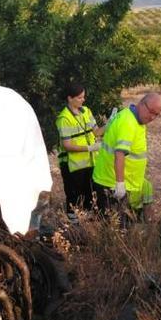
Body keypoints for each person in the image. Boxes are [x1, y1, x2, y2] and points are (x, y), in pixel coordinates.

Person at [92, 93, 161, 220]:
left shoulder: (135, 119)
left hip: (118, 182)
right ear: (141, 104)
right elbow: (119, 153)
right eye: (151, 112)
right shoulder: (129, 122)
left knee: (117, 227)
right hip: (112, 184)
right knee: (115, 229)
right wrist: (120, 184)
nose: (152, 117)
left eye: (156, 115)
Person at [56, 82, 103, 220]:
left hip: (90, 163)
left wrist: (110, 124)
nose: (83, 100)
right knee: (74, 198)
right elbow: (67, 145)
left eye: (83, 97)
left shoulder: (86, 111)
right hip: (72, 166)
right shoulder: (64, 118)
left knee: (90, 195)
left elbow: (96, 132)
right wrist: (89, 148)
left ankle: (87, 225)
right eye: (80, 97)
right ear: (70, 98)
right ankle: (73, 226)